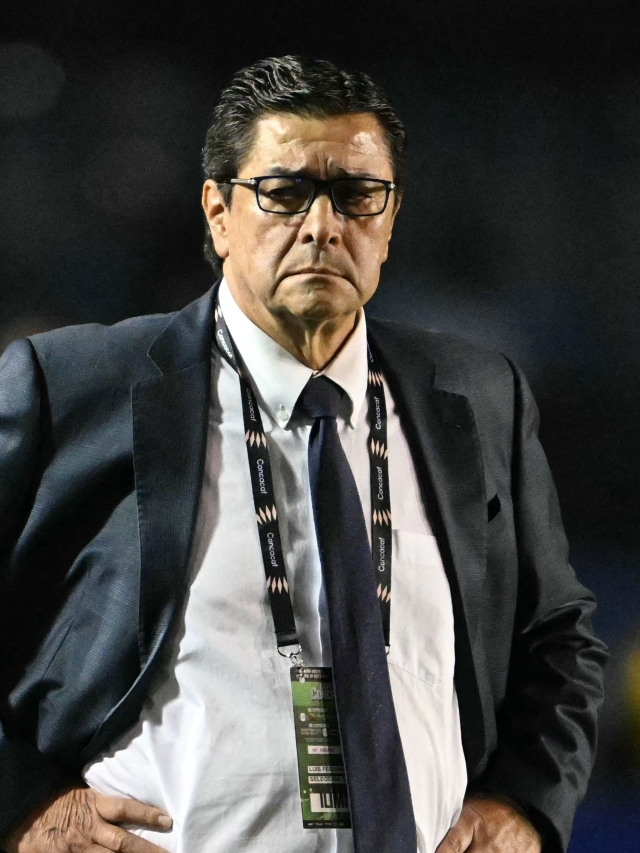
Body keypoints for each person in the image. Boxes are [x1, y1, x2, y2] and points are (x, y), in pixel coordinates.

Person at [0, 56, 607, 853]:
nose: (323, 226)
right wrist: (25, 809)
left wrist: (526, 803)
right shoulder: (73, 388)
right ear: (218, 213)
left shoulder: (480, 396)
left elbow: (558, 634)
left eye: (357, 196)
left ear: (390, 219)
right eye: (285, 193)